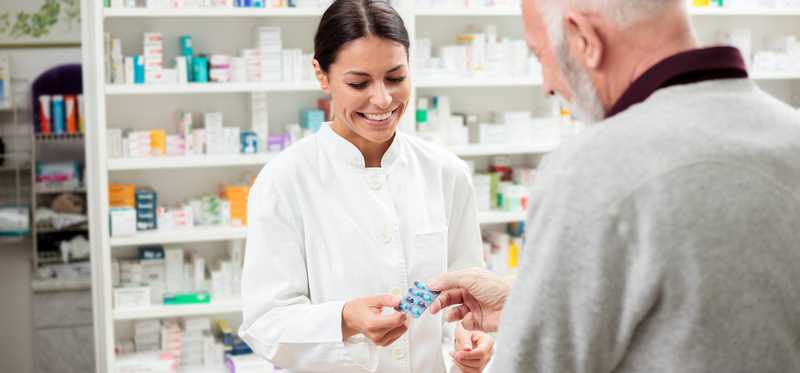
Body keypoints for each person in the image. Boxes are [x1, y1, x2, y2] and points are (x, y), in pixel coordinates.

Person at [428, 0, 800, 372]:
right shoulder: (791, 136)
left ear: (585, 39)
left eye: (541, 57)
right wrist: (525, 304)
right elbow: (713, 313)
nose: (548, 85)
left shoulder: (589, 169)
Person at [239, 1, 494, 372]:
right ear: (321, 75)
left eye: (395, 78)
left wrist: (474, 339)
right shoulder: (285, 180)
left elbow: (467, 296)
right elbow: (265, 324)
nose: (383, 99)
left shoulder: (446, 172)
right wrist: (344, 319)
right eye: (359, 83)